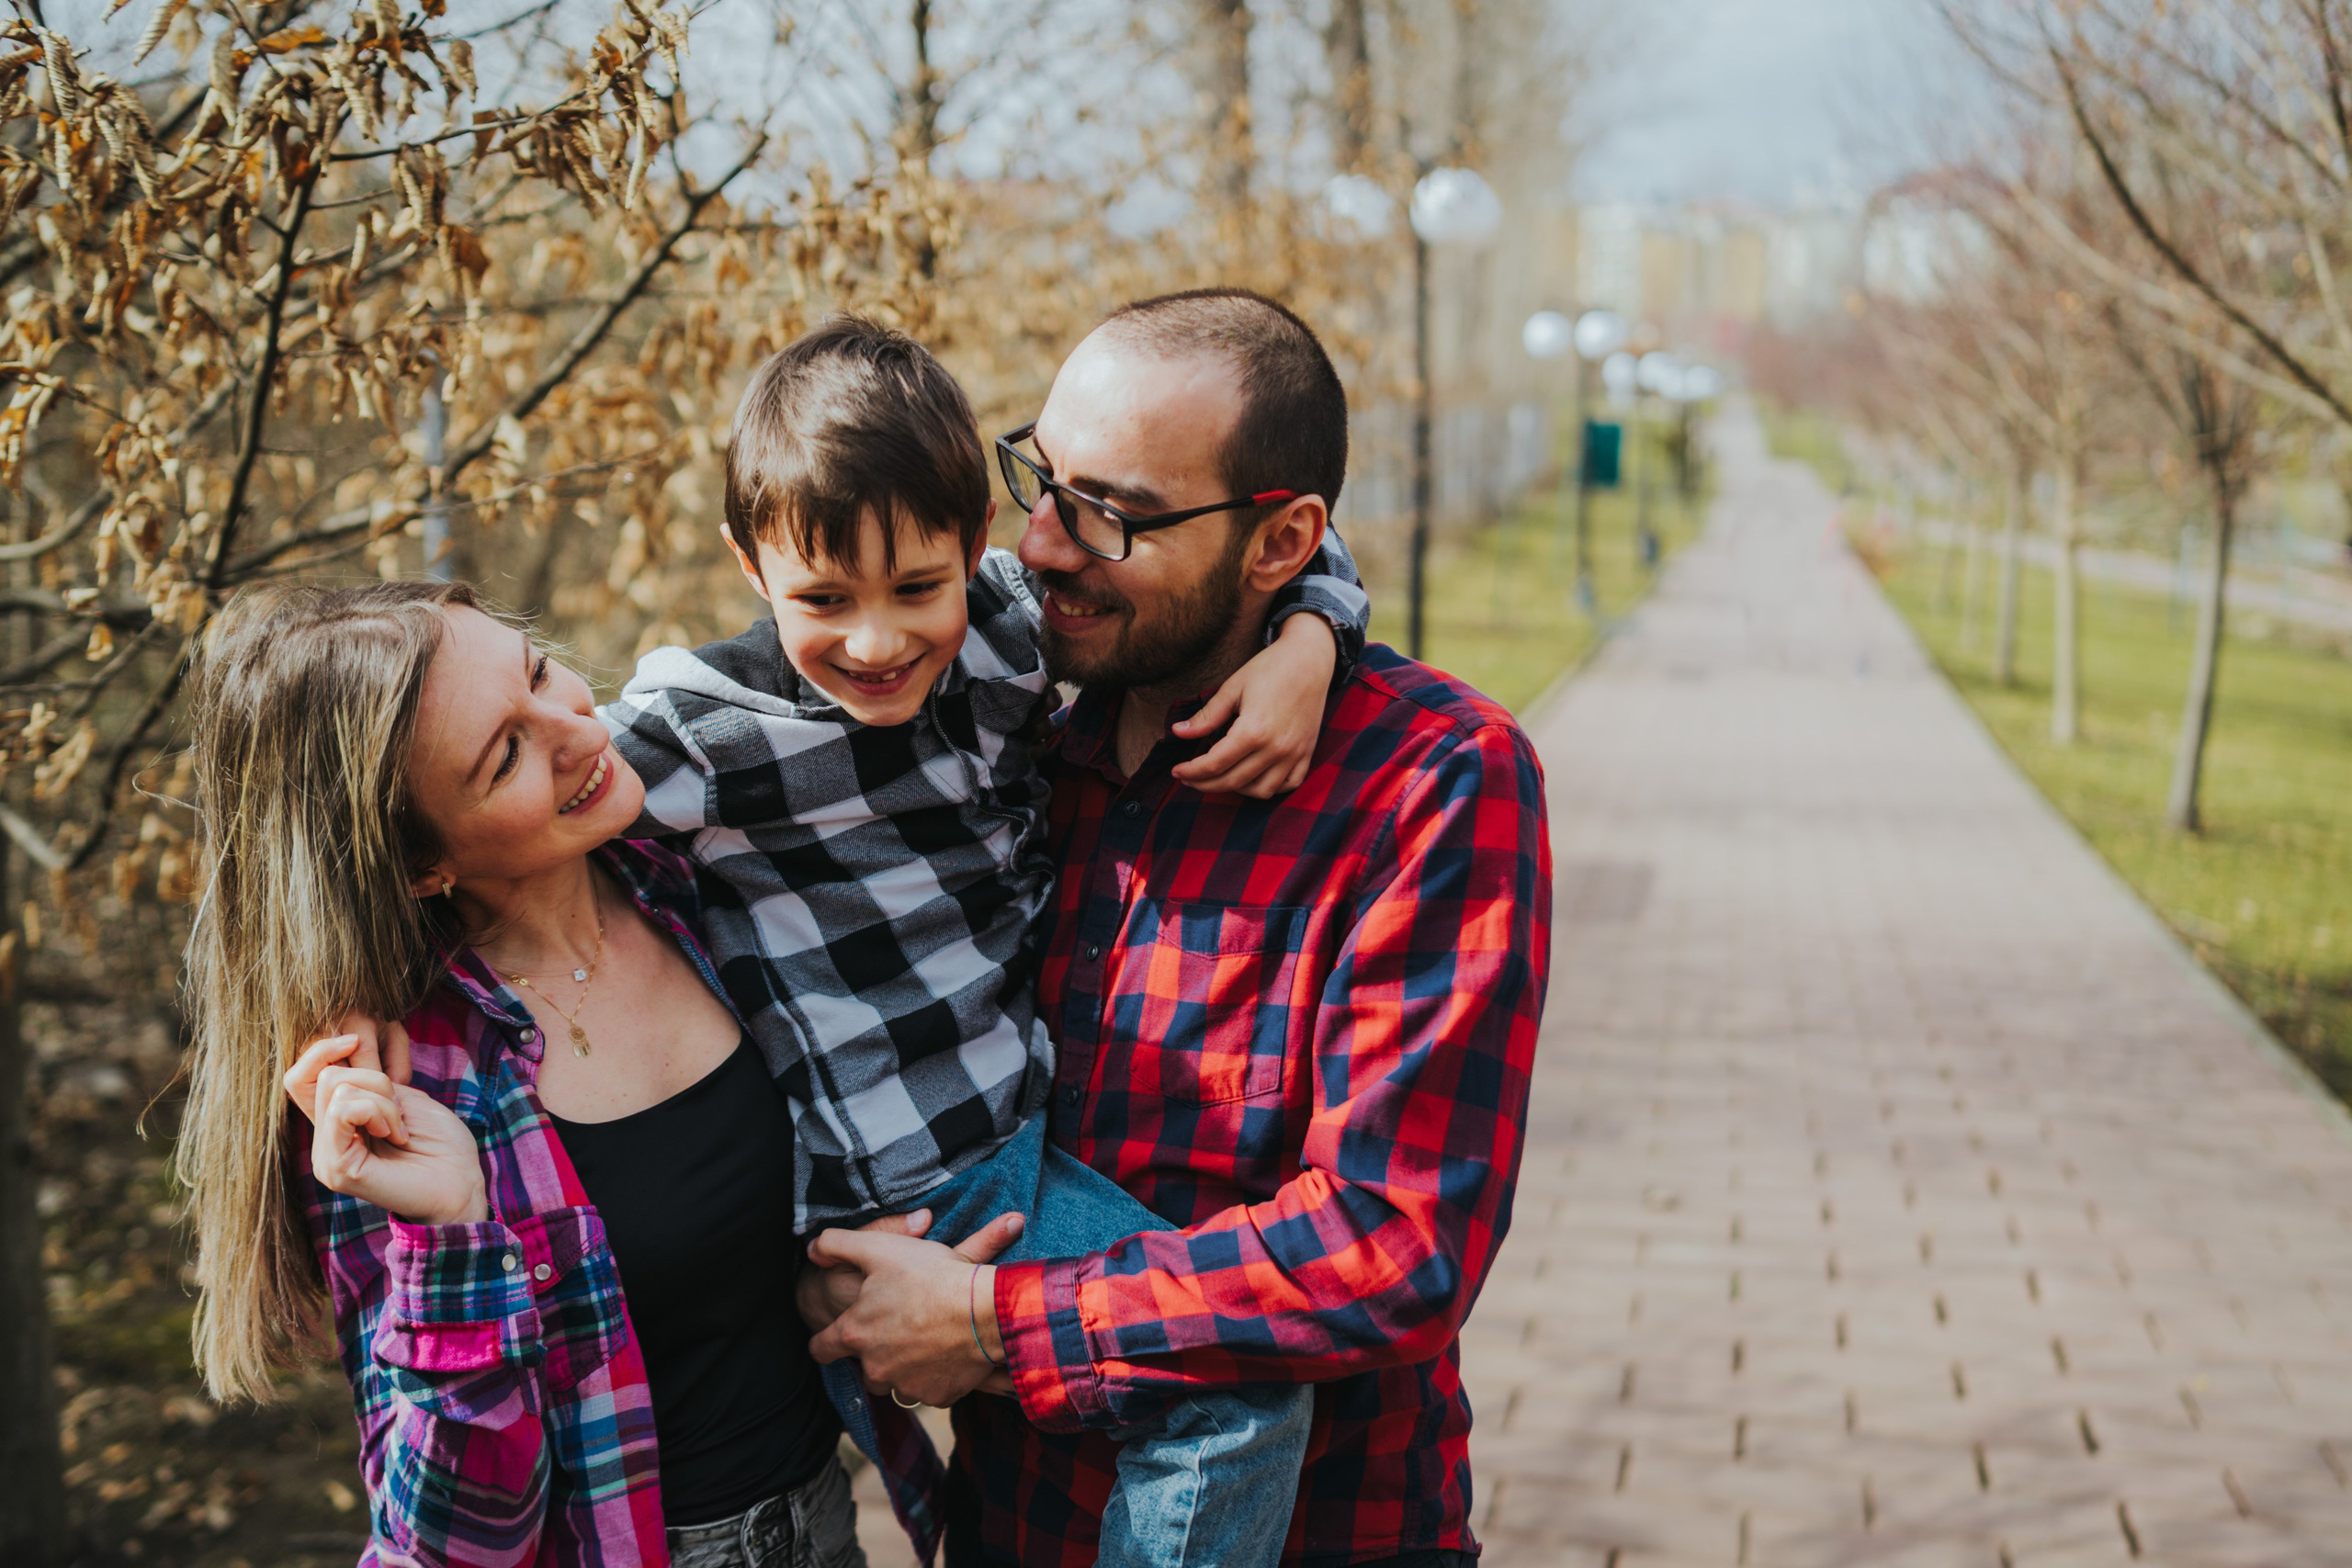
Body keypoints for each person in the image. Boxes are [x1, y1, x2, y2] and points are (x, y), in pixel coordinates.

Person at [794, 288, 1555, 1568]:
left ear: (1282, 543)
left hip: (1322, 1529)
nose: (1042, 544)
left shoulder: (1433, 781)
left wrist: (996, 1321)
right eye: (1043, 476)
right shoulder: (999, 720)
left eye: (1113, 515)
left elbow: (1393, 1241)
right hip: (1015, 1520)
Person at [601, 315, 1373, 1568]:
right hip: (917, 1170)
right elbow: (495, 801)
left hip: (1004, 1134)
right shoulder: (701, 728)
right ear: (752, 565)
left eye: (918, 586)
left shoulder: (1012, 632)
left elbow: (1287, 531)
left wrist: (1310, 637)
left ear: (972, 546)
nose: (876, 640)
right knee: (1235, 1396)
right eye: (821, 599)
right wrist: (367, 990)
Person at [175, 580, 953, 1568]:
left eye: (540, 671)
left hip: (833, 1525)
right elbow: (444, 1547)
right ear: (421, 866)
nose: (580, 727)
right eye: (506, 754)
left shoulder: (703, 880)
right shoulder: (398, 1088)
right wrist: (451, 1235)